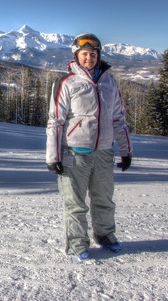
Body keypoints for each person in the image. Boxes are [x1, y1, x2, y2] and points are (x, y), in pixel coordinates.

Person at [46, 33, 133, 262]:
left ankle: (104, 235)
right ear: (76, 55)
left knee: (104, 199)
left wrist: (126, 151)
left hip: (104, 152)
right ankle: (77, 244)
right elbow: (55, 121)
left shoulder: (109, 82)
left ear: (98, 55)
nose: (89, 58)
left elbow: (118, 119)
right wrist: (53, 156)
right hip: (74, 153)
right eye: (84, 54)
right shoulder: (67, 82)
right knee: (75, 204)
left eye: (93, 54)